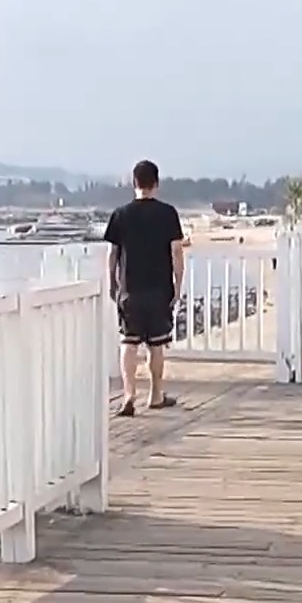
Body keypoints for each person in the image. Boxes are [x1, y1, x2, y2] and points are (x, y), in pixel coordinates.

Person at [103, 160, 186, 416]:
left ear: (134, 183)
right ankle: (156, 395)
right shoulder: (168, 213)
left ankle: (129, 395)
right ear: (156, 183)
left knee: (128, 342)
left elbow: (113, 254)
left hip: (129, 289)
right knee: (156, 345)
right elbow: (176, 252)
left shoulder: (121, 214)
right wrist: (178, 285)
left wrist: (112, 283)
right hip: (159, 289)